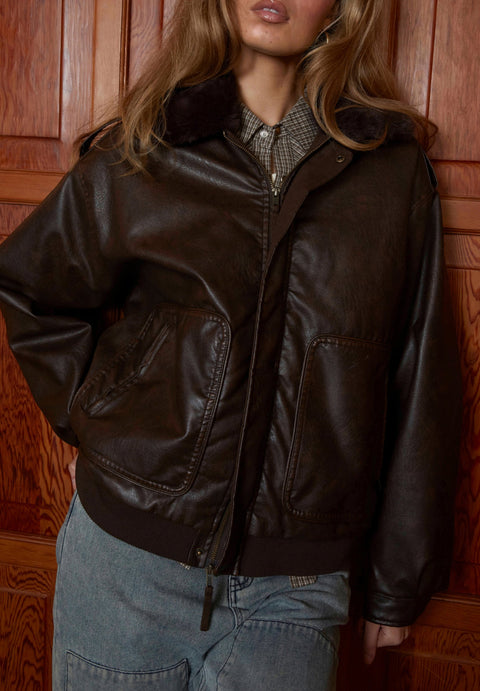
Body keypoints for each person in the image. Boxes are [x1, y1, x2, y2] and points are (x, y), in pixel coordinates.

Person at [0, 0, 461, 689]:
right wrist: (95, 422)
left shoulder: (392, 174)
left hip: (295, 590)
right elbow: (32, 289)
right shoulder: (144, 149)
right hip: (125, 567)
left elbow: (419, 375)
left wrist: (399, 580)